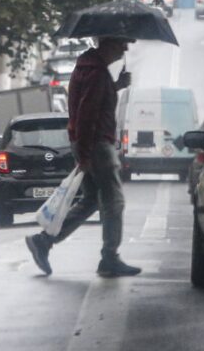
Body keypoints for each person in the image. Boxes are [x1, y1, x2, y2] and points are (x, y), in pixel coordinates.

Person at [26, 36, 141, 278]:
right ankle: (110, 258)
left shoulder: (90, 69)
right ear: (108, 43)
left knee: (90, 201)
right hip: (98, 145)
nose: (125, 47)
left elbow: (92, 103)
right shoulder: (96, 72)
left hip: (87, 144)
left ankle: (44, 241)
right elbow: (87, 114)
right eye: (122, 42)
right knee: (114, 201)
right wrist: (86, 153)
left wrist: (116, 85)